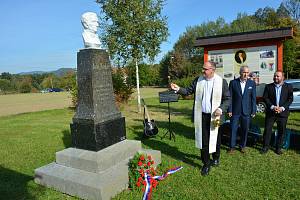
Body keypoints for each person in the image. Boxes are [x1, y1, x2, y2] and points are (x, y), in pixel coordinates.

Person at [170, 61, 230, 176]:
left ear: (213, 70)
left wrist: (221, 109)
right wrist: (178, 89)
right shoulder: (198, 80)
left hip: (216, 116)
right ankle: (206, 164)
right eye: (203, 69)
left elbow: (228, 99)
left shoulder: (221, 82)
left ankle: (216, 157)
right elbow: (188, 91)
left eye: (205, 69)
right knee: (203, 140)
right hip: (201, 116)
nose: (203, 71)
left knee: (216, 139)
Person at [260, 71, 293, 155]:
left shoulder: (288, 87)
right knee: (267, 130)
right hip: (271, 112)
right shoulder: (268, 86)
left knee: (281, 131)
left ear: (283, 77)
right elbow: (265, 98)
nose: (275, 78)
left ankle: (278, 148)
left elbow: (290, 99)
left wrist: (282, 108)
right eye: (275, 76)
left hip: (283, 113)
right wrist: (272, 107)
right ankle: (265, 147)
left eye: (278, 76)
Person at [227, 66, 256, 154]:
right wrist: (229, 110)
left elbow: (253, 98)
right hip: (235, 111)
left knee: (245, 129)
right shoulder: (233, 83)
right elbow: (230, 98)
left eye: (247, 72)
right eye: (244, 72)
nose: (245, 74)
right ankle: (232, 147)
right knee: (233, 129)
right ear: (240, 73)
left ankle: (242, 146)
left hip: (246, 111)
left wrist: (253, 110)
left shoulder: (252, 83)